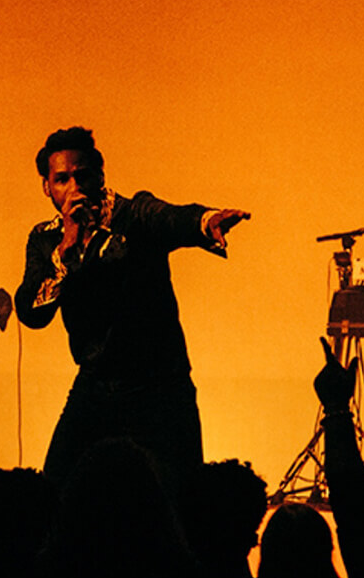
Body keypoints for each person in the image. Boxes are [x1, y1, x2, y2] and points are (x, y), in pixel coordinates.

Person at [14, 126, 249, 493]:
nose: (74, 186)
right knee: (55, 491)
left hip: (159, 388)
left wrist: (206, 221)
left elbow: (172, 218)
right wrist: (65, 249)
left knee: (180, 497)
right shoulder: (46, 239)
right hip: (95, 385)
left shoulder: (133, 214)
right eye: (62, 179)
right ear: (47, 186)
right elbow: (31, 313)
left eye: (83, 175)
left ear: (100, 176)